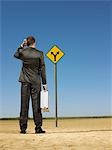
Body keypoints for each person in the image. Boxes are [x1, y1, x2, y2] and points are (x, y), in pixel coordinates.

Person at [14, 36, 47, 134]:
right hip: (36, 82)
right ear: (34, 43)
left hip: (25, 81)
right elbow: (42, 69)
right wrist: (44, 82)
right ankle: (38, 128)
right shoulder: (40, 54)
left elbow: (16, 55)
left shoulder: (23, 52)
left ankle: (23, 128)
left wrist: (21, 45)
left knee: (24, 104)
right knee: (36, 105)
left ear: (27, 43)